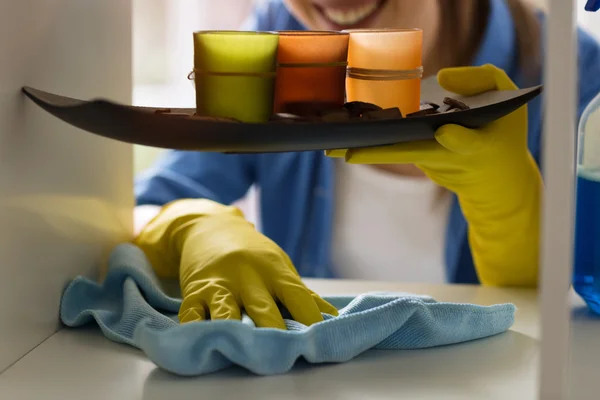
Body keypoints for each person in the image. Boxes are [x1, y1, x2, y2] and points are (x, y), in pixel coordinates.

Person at [133, 0, 600, 329]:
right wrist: (197, 226)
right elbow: (136, 208)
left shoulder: (580, 73)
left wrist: (512, 213)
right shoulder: (273, 39)